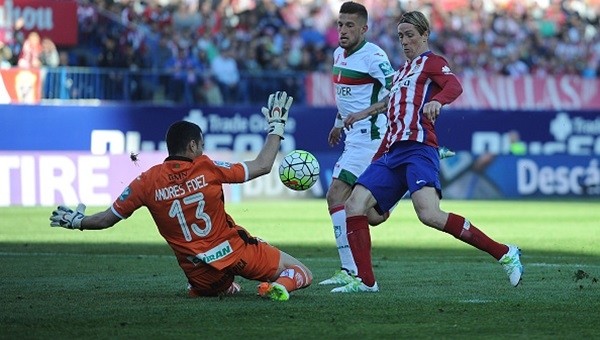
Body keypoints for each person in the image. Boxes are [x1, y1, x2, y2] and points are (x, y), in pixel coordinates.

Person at [49, 91, 313, 301]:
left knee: (224, 288)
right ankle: (280, 287)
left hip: (199, 274)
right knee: (301, 272)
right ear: (192, 145)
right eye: (201, 144)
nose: (203, 148)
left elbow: (107, 219)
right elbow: (263, 165)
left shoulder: (146, 181)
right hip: (236, 253)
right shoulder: (206, 167)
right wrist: (277, 126)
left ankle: (216, 288)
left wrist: (77, 221)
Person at [334, 11, 523, 293]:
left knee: (429, 215)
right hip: (391, 151)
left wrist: (438, 101)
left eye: (410, 35)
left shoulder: (432, 63)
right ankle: (366, 282)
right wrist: (373, 150)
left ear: (425, 35)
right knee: (357, 208)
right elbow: (392, 108)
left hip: (419, 149)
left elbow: (454, 86)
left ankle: (505, 252)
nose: (405, 41)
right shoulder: (400, 74)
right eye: (401, 36)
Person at [320, 1, 455, 288]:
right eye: (340, 25)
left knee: (336, 196)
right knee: (370, 216)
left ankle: (351, 271)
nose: (343, 31)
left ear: (364, 28)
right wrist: (337, 121)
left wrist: (368, 114)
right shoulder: (338, 55)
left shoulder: (374, 57)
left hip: (371, 138)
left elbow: (397, 93)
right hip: (352, 137)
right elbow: (346, 98)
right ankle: (391, 196)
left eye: (349, 26)